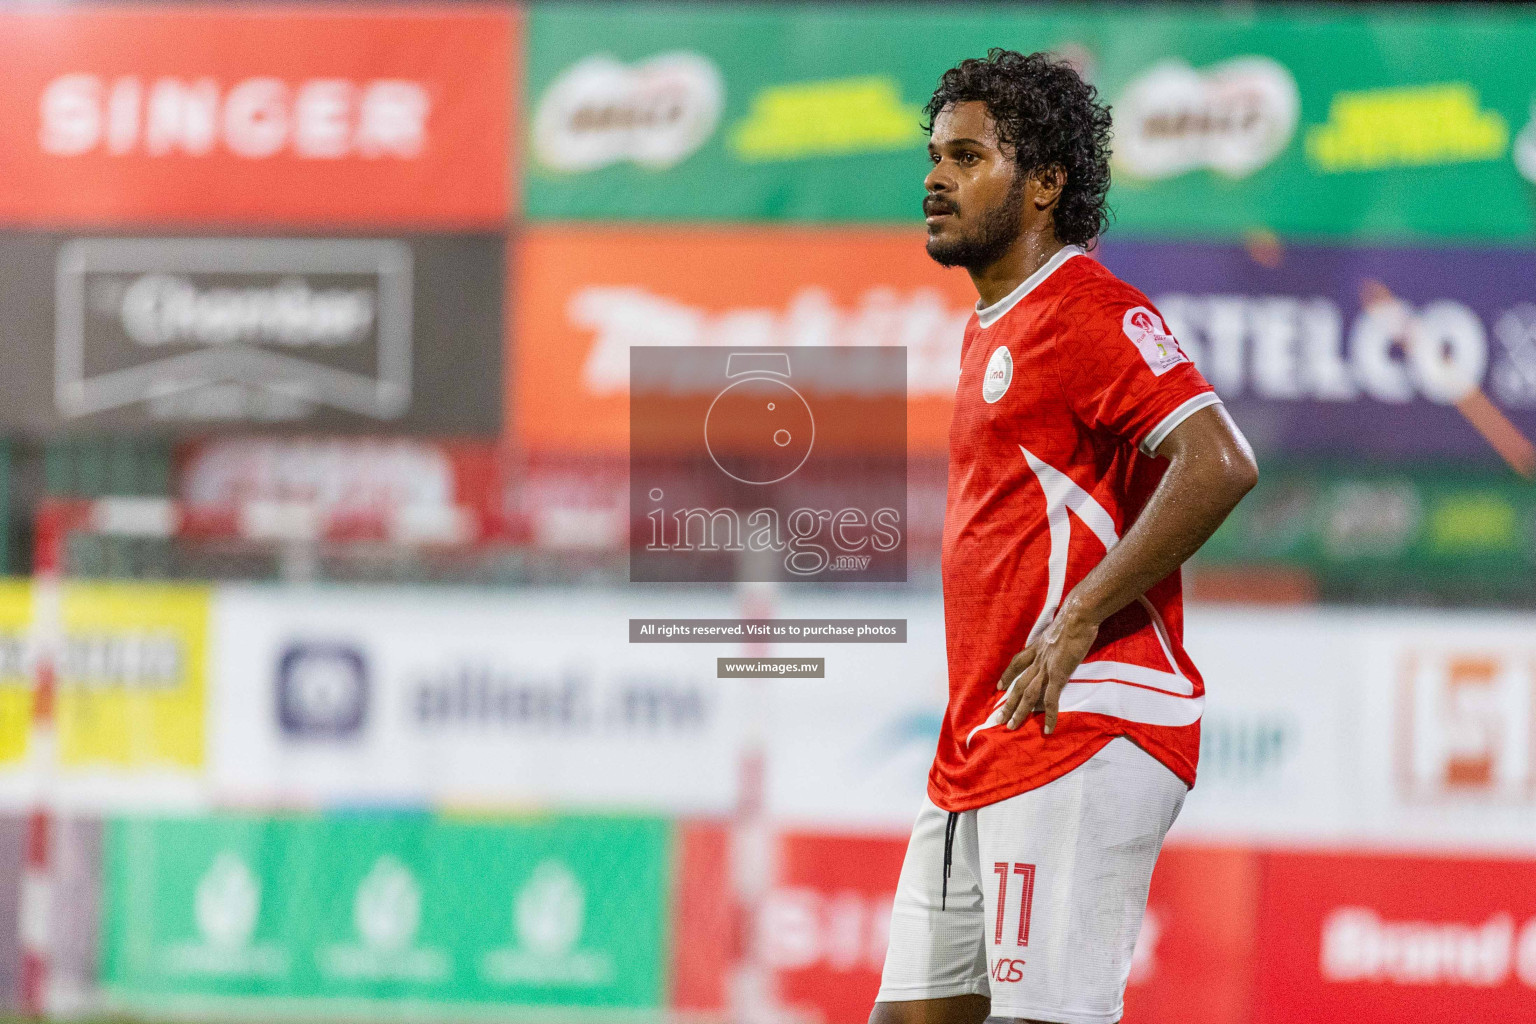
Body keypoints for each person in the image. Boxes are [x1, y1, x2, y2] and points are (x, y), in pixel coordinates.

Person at [870, 49, 1258, 1024]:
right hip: (987, 735)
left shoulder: (1088, 309)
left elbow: (1219, 461)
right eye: (935, 156)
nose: (936, 178)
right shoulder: (993, 324)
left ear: (1044, 183)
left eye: (967, 157)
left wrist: (1080, 614)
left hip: (1083, 720)